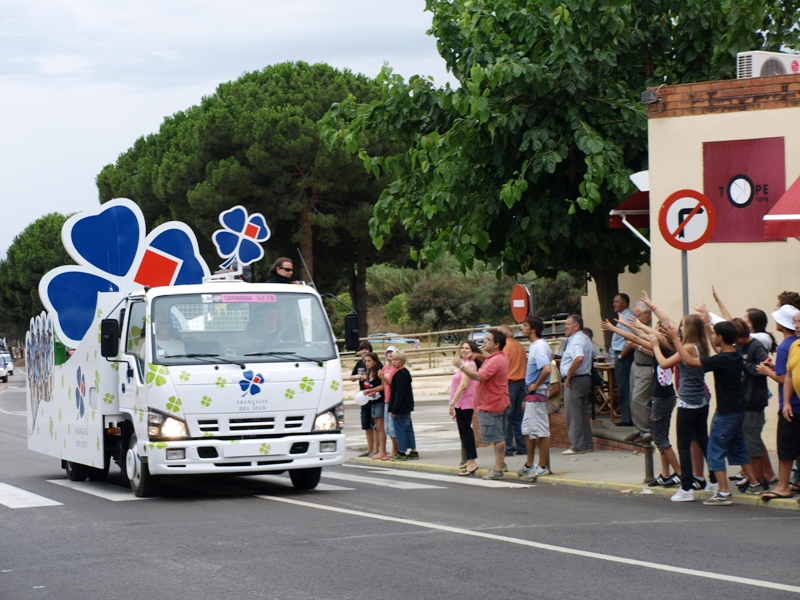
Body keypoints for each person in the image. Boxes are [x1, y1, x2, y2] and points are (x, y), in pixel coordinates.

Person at [669, 317, 758, 506]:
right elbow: (716, 345)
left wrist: (674, 339)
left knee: (714, 449)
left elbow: (688, 361)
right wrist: (709, 325)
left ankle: (724, 492)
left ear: (720, 338)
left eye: (714, 335)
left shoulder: (721, 359)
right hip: (738, 408)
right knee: (738, 446)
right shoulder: (735, 353)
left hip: (726, 412)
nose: (712, 337)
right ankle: (754, 482)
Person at [652, 315, 717, 502]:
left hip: (689, 402)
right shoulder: (701, 346)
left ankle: (687, 486)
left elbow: (664, 363)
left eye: (682, 327)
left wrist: (656, 346)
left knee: (683, 445)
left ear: (689, 329)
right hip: (701, 400)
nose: (679, 330)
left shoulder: (688, 347)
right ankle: (713, 478)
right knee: (703, 441)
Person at [453, 329, 510, 480]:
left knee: (497, 438)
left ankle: (498, 469)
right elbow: (490, 363)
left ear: (496, 344)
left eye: (488, 340)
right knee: (500, 436)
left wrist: (461, 366)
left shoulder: (496, 360)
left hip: (492, 404)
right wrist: (479, 356)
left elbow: (480, 376)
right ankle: (501, 464)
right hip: (498, 402)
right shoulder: (496, 358)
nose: (484, 341)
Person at [758, 305, 800, 500]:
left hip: (793, 406)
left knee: (787, 446)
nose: (797, 325)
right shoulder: (794, 346)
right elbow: (790, 374)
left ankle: (784, 486)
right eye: (796, 322)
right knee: (791, 446)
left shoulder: (785, 346)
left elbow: (783, 378)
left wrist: (768, 372)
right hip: (792, 404)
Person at [732, 318, 770, 491]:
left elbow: (763, 370)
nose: (736, 343)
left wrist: (745, 364)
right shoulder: (738, 347)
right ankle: (753, 476)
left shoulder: (756, 347)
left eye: (737, 339)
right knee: (747, 440)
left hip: (754, 400)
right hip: (742, 400)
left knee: (752, 440)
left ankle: (760, 478)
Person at [518, 316, 552, 481]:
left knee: (541, 429)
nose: (521, 327)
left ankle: (542, 466)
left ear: (533, 329)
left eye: (524, 325)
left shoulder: (538, 347)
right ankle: (530, 463)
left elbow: (547, 369)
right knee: (528, 429)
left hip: (537, 392)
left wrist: (535, 385)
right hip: (532, 395)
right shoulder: (536, 346)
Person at [560, 315, 594, 455]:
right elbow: (593, 353)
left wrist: (569, 372)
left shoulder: (576, 341)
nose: (565, 327)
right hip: (584, 378)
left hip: (575, 379)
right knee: (582, 413)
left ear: (577, 326)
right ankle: (586, 444)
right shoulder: (585, 338)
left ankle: (577, 446)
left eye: (568, 324)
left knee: (573, 414)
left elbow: (579, 357)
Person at [449, 341, 480, 476]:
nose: (464, 350)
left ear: (473, 350)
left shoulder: (468, 365)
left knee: (466, 433)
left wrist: (453, 402)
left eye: (467, 348)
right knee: (464, 432)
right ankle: (469, 459)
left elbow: (463, 385)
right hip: (463, 403)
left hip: (464, 403)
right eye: (462, 348)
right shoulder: (468, 364)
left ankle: (472, 461)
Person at [498, 325, 527, 457]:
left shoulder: (505, 348)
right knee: (518, 417)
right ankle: (522, 446)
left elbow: (502, 367)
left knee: (507, 418)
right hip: (522, 382)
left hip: (510, 383)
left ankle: (508, 448)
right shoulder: (520, 347)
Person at [610, 293, 635, 426]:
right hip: (621, 355)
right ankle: (627, 416)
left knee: (624, 386)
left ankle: (628, 418)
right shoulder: (623, 316)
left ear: (624, 303)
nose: (614, 304)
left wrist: (621, 356)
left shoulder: (627, 317)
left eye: (616, 301)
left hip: (625, 356)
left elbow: (629, 339)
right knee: (622, 386)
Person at [388, 350, 417, 461]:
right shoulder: (405, 373)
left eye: (396, 360)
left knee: (400, 429)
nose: (393, 362)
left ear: (403, 361)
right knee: (408, 428)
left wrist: (394, 409)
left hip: (400, 408)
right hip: (406, 406)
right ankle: (413, 450)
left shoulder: (400, 375)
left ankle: (402, 451)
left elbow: (399, 393)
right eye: (392, 359)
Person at [350, 341, 375, 457]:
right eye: (362, 349)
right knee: (366, 424)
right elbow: (351, 377)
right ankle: (369, 449)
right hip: (363, 397)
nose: (364, 351)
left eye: (366, 349)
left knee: (376, 425)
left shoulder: (376, 364)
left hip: (374, 397)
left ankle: (377, 448)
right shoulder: (359, 364)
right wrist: (358, 376)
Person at [360, 352, 386, 460]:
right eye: (365, 361)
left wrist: (372, 390)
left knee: (380, 427)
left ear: (375, 361)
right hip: (372, 401)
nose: (367, 363)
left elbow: (383, 386)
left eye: (369, 361)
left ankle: (382, 451)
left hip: (380, 401)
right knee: (375, 426)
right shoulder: (368, 373)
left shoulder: (379, 372)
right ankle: (376, 450)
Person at [376, 346, 398, 461]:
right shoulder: (384, 368)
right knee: (387, 428)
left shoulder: (396, 369)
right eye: (388, 352)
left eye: (392, 352)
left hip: (392, 399)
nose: (390, 354)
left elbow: (393, 385)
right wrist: (371, 391)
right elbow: (383, 385)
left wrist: (383, 378)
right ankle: (391, 450)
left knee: (392, 427)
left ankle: (395, 450)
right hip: (386, 399)